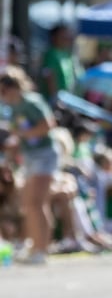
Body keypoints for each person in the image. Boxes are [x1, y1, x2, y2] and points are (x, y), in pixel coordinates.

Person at [0, 67, 59, 264]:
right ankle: (36, 247)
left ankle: (41, 250)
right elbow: (20, 134)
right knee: (28, 204)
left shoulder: (31, 101)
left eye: (3, 91)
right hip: (31, 157)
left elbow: (48, 124)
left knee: (37, 203)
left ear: (14, 87)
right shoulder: (14, 108)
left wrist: (24, 135)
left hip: (44, 156)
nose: (2, 95)